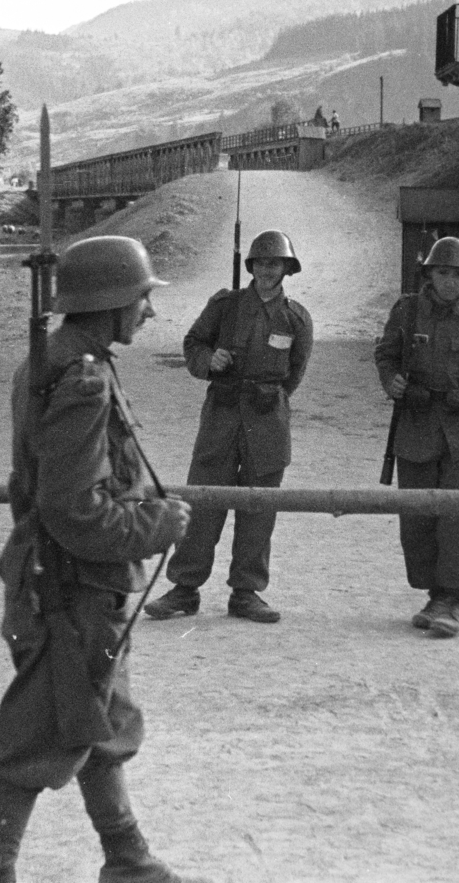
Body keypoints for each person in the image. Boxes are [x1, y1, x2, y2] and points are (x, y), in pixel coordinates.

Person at [0, 236, 210, 883]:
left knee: (98, 721)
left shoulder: (62, 360)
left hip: (73, 586)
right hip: (71, 589)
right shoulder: (77, 376)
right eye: (140, 299)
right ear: (107, 303)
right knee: (35, 739)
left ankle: (126, 856)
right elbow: (75, 511)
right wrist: (156, 524)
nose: (149, 314)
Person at [144, 230, 313, 625]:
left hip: (267, 422)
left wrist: (265, 397)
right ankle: (185, 588)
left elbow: (295, 374)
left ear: (288, 269)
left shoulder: (297, 318)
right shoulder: (225, 306)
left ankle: (246, 591)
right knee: (203, 500)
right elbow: (192, 343)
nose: (267, 270)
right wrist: (210, 360)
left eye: (276, 264)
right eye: (261, 263)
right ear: (250, 266)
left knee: (259, 508)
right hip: (221, 417)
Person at [372, 236, 459, 639]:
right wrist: (391, 381)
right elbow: (384, 353)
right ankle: (436, 594)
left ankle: (454, 599)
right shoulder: (406, 311)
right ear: (429, 275)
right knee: (418, 517)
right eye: (442, 273)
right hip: (416, 426)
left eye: (457, 274)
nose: (449, 281)